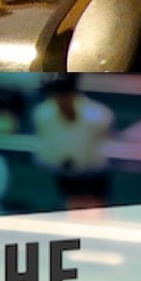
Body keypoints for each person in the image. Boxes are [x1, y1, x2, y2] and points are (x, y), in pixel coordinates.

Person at [33, 78, 118, 210]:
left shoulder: (99, 116)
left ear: (73, 93)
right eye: (56, 95)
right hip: (63, 175)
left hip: (94, 178)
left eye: (64, 94)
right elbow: (44, 150)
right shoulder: (43, 114)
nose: (61, 100)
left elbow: (105, 151)